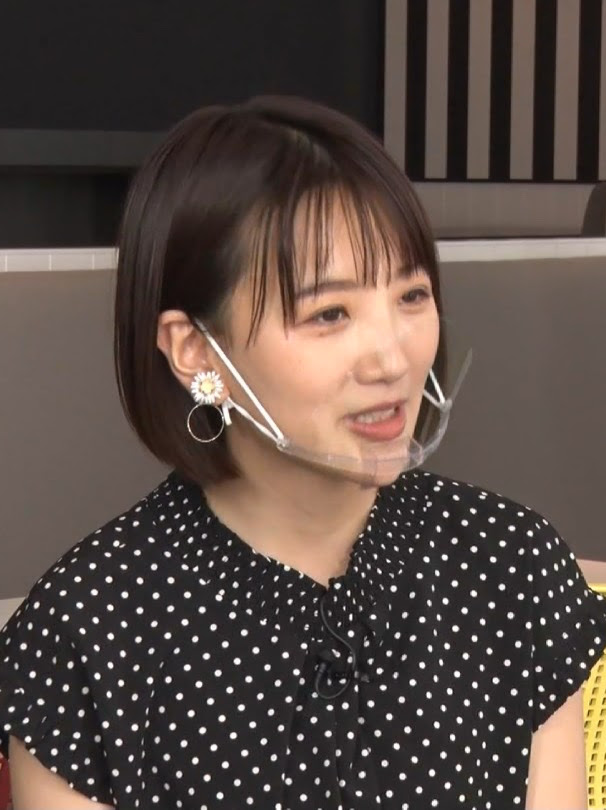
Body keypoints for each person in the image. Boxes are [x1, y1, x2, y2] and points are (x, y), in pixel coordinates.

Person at [1, 95, 605, 810]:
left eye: (412, 295)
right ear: (197, 351)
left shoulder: (511, 565)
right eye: (330, 313)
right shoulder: (87, 628)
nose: (393, 359)